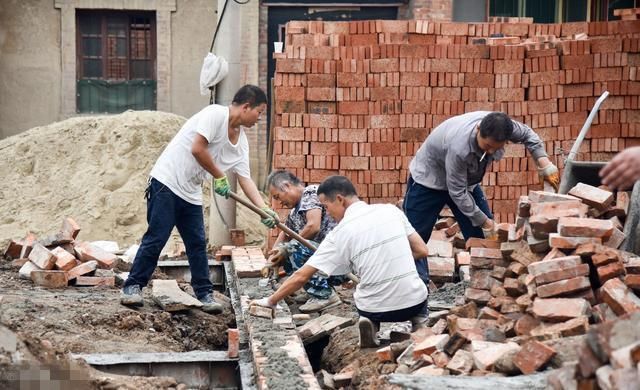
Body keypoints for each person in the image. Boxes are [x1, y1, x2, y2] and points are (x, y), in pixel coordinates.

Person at [121, 85, 279, 313]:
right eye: (260, 112)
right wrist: (219, 176)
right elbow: (198, 148)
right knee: (157, 236)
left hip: (190, 190)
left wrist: (264, 209)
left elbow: (246, 180)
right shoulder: (214, 115)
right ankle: (132, 286)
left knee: (196, 243)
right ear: (246, 107)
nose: (260, 118)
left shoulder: (241, 142)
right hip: (166, 181)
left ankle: (204, 294)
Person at [251, 176, 429, 348]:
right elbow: (422, 250)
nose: (327, 213)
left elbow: (301, 276)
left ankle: (371, 324)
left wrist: (271, 301)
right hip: (414, 302)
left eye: (327, 207)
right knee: (417, 294)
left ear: (339, 199)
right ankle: (419, 321)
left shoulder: (340, 231)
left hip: (373, 308)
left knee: (367, 300)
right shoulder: (391, 210)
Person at [404, 111, 559, 242]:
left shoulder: (502, 126)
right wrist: (485, 222)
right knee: (416, 238)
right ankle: (418, 278)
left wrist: (544, 164)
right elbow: (457, 192)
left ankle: (480, 274)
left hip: (464, 182)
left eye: (496, 148)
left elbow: (527, 134)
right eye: (487, 146)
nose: (491, 152)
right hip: (429, 180)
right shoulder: (460, 147)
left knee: (482, 237)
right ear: (478, 129)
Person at [266, 170, 343, 313]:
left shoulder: (310, 193)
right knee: (286, 249)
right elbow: (285, 232)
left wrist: (287, 248)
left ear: (287, 186)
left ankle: (325, 296)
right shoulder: (295, 212)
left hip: (338, 260)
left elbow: (313, 226)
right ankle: (314, 290)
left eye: (278, 196)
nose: (280, 201)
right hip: (325, 263)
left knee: (293, 247)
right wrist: (272, 258)